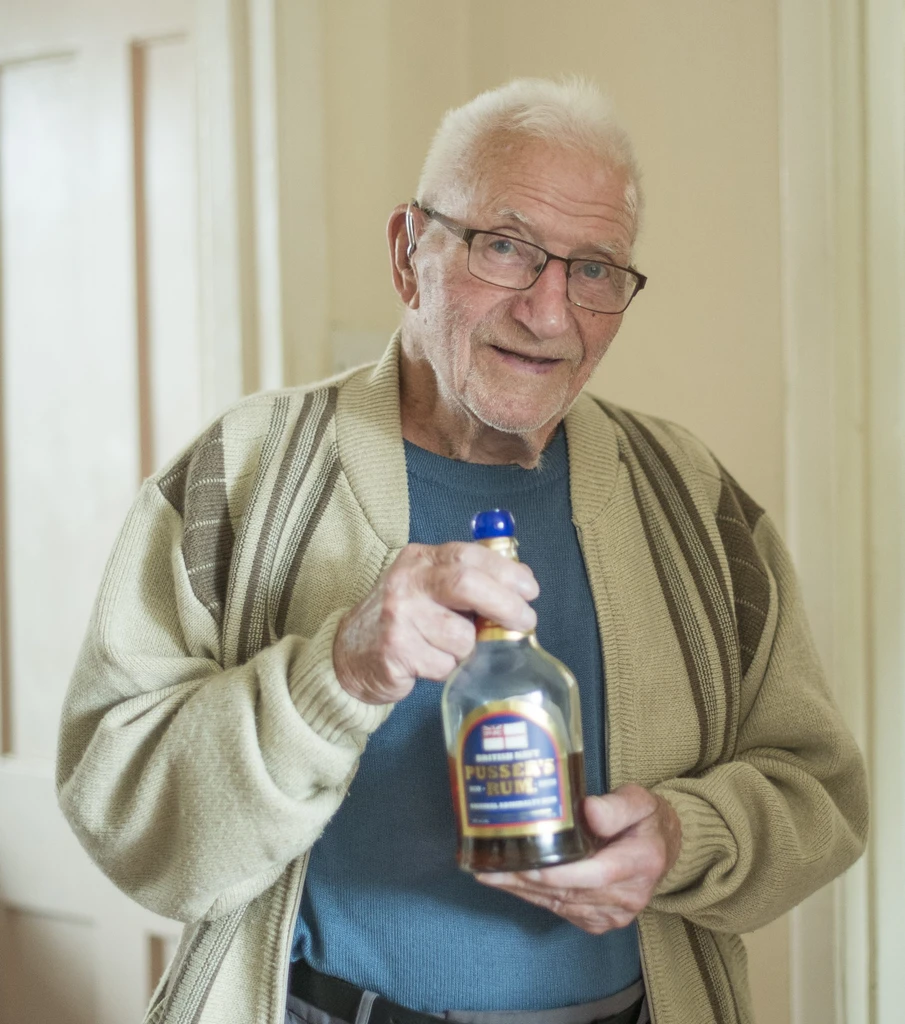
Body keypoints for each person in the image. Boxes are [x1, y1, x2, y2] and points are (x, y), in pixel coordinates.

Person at [58, 78, 868, 1024]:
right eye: (506, 248)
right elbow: (121, 811)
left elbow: (818, 792)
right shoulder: (238, 477)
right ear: (408, 253)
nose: (550, 312)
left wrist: (689, 837)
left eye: (596, 268)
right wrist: (337, 673)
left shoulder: (693, 499)